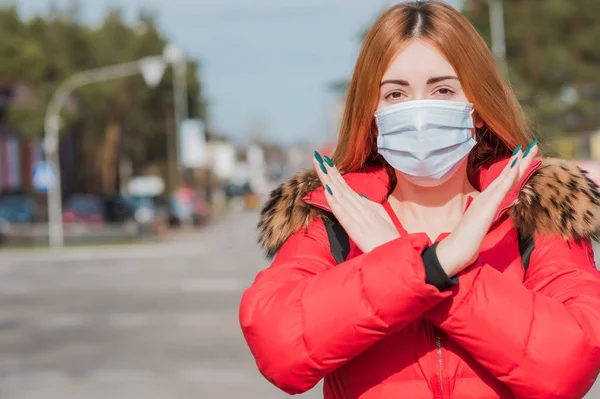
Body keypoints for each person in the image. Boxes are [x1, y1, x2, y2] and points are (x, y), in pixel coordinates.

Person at [239, 1, 600, 398]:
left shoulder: (538, 215)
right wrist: (433, 265)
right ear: (372, 112)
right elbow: (279, 349)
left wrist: (414, 266)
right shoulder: (335, 216)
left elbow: (569, 365)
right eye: (396, 94)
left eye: (442, 89)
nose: (419, 111)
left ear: (477, 108)